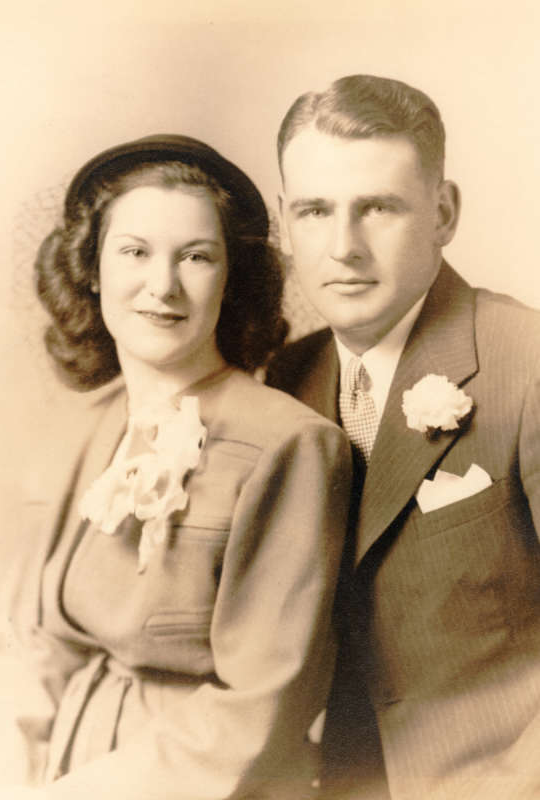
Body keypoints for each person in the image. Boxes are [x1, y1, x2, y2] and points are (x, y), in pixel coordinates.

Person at [0, 134, 352, 800]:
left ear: (230, 280)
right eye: (135, 252)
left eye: (196, 257)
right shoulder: (90, 423)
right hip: (66, 765)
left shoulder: (289, 444)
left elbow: (264, 709)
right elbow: (41, 650)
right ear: (92, 268)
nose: (162, 286)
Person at [267, 75, 540, 799]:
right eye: (315, 211)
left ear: (443, 213)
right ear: (284, 222)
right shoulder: (287, 377)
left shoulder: (528, 361)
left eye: (378, 208)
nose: (344, 247)